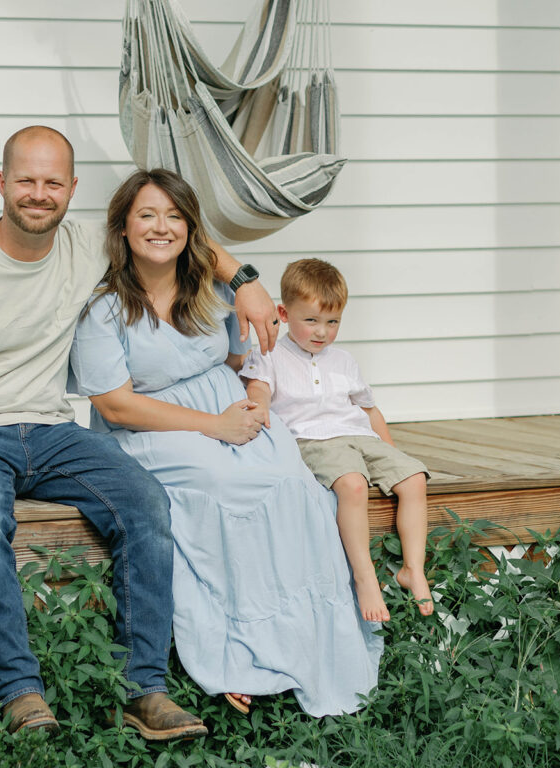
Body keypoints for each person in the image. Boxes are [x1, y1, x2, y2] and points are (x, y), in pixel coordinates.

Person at [0, 126, 280, 739]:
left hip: (54, 428)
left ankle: (144, 689)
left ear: (71, 189)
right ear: (2, 183)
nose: (39, 194)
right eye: (27, 180)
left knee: (145, 503)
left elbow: (186, 237)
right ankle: (20, 691)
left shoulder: (88, 245)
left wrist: (246, 282)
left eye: (52, 182)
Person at [69, 169, 383, 718]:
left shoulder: (211, 291)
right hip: (152, 427)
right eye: (147, 215)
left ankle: (303, 642)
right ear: (122, 228)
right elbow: (114, 405)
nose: (161, 227)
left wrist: (251, 399)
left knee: (295, 485)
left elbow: (239, 361)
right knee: (228, 484)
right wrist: (211, 425)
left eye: (175, 216)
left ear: (193, 230)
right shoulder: (106, 309)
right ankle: (242, 646)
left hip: (228, 408)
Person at [242, 258, 433, 622]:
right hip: (313, 441)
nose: (322, 332)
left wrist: (388, 451)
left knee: (414, 477)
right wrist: (259, 407)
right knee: (353, 485)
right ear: (283, 313)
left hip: (358, 436)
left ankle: (414, 569)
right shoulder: (270, 355)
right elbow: (258, 389)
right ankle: (364, 578)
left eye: (332, 322)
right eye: (311, 320)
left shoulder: (343, 360)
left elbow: (369, 410)